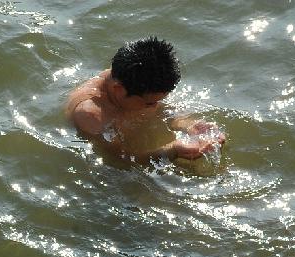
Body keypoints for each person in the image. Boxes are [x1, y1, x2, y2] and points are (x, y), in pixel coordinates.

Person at [66, 36, 226, 164]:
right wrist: (172, 151)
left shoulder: (134, 78)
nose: (155, 107)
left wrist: (188, 124)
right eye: (149, 103)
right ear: (118, 89)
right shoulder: (90, 115)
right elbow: (120, 160)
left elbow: (162, 109)